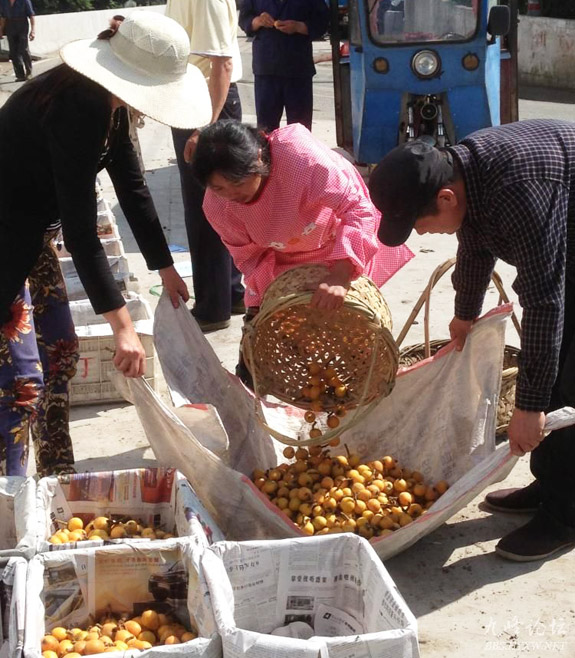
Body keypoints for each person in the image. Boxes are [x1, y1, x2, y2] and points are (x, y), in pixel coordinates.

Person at [0, 12, 211, 477]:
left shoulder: (110, 108)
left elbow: (133, 189)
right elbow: (81, 234)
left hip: (32, 235)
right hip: (6, 237)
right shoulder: (77, 106)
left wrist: (165, 268)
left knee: (60, 351)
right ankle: (10, 497)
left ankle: (56, 476)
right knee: (20, 382)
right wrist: (122, 327)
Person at [368, 120, 575, 562]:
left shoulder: (518, 191)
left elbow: (545, 302)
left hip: (563, 253)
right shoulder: (468, 171)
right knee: (553, 374)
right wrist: (465, 312)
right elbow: (476, 242)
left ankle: (566, 516)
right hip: (562, 246)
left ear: (445, 198)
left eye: (420, 224)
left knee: (568, 383)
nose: (422, 234)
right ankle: (550, 486)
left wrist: (529, 406)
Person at [192, 120, 413, 382]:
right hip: (281, 261)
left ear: (258, 158)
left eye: (236, 182)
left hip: (337, 246)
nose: (231, 194)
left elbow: (357, 209)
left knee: (356, 341)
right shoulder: (218, 207)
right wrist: (275, 301)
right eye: (218, 188)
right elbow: (250, 258)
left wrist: (340, 275)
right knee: (258, 351)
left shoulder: (301, 159)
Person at [166, 0, 245, 333]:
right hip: (194, 102)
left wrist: (204, 128)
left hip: (206, 107)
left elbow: (222, 64)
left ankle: (213, 306)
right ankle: (231, 292)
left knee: (206, 210)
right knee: (215, 206)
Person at [239, 0, 330, 132]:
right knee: (265, 130)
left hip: (298, 68)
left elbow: (322, 22)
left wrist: (299, 27)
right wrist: (258, 21)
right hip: (266, 68)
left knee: (299, 130)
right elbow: (244, 19)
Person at [0, 0, 35, 82]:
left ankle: (29, 72)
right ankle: (20, 75)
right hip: (10, 25)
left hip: (22, 24)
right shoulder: (3, 2)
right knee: (13, 51)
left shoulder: (24, 1)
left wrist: (33, 31)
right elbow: (3, 17)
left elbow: (31, 15)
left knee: (24, 49)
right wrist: (1, 29)